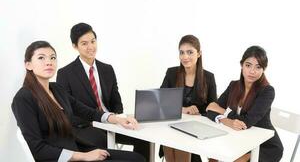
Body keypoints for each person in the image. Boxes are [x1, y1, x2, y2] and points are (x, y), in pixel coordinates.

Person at [11, 41, 145, 162]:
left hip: (78, 149)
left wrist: (117, 119)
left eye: (53, 57)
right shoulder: (23, 98)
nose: (49, 62)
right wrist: (83, 156)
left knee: (138, 158)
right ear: (28, 65)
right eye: (41, 58)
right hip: (62, 158)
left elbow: (87, 112)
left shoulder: (57, 89)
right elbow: (36, 148)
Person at [56, 23, 150, 161]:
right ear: (75, 46)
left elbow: (116, 101)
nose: (90, 47)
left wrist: (117, 118)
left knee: (143, 138)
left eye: (93, 41)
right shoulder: (65, 73)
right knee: (101, 142)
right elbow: (69, 111)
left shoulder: (107, 69)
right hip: (86, 126)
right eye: (84, 43)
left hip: (111, 122)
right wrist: (97, 121)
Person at [206, 45, 283, 162]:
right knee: (213, 155)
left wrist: (223, 111)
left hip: (264, 145)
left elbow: (246, 122)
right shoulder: (233, 85)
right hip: (238, 139)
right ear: (242, 65)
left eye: (258, 67)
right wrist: (228, 121)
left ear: (264, 69)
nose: (252, 71)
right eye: (248, 65)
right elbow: (210, 110)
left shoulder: (267, 91)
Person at [160, 35, 217, 162]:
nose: (185, 57)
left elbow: (213, 108)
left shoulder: (208, 77)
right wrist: (183, 109)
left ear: (199, 54)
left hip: (197, 129)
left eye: (190, 52)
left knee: (181, 141)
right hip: (173, 126)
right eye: (182, 52)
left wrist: (199, 112)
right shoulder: (171, 73)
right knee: (171, 138)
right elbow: (160, 102)